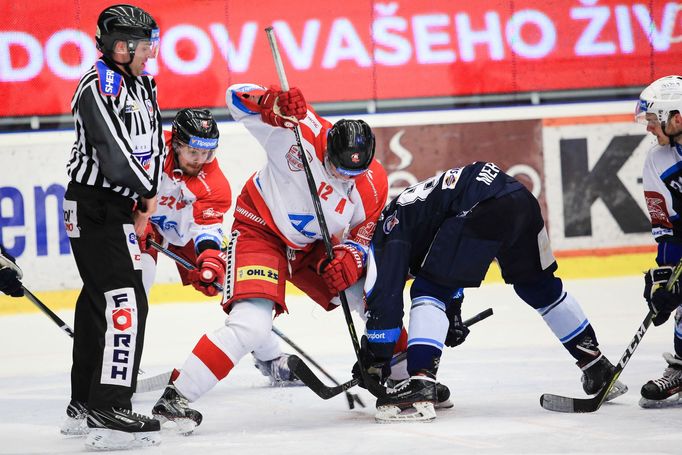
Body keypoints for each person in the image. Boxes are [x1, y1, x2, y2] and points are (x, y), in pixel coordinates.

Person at [150, 83, 388, 433]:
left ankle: (403, 378)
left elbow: (362, 237)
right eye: (337, 169)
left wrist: (351, 257)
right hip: (261, 232)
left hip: (313, 246)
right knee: (250, 325)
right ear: (326, 150)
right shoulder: (297, 129)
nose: (344, 178)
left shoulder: (372, 184)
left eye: (354, 173)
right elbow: (235, 97)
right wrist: (270, 101)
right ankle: (176, 398)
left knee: (369, 293)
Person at [353, 162, 628, 422]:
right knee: (539, 288)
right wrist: (454, 314)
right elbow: (450, 264)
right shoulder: (413, 215)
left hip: (480, 206)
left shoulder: (387, 231)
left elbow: (385, 298)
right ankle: (596, 366)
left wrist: (376, 357)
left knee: (429, 290)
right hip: (521, 198)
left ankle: (421, 385)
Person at [60, 4, 164, 449]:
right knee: (126, 297)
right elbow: (113, 154)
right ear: (121, 46)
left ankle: (83, 404)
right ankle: (110, 404)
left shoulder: (143, 84)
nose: (151, 53)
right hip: (95, 207)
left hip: (119, 208)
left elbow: (153, 143)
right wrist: (144, 193)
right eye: (145, 46)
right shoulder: (97, 86)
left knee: (97, 304)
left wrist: (146, 197)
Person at [138, 108, 299, 390]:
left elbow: (207, 229)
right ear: (175, 144)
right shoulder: (150, 148)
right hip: (142, 221)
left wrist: (210, 259)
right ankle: (120, 360)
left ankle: (270, 357)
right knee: (135, 285)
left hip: (185, 233)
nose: (200, 160)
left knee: (238, 294)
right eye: (193, 152)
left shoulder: (214, 184)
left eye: (207, 153)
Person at [636, 75, 682, 408]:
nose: (650, 128)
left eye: (654, 120)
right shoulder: (657, 160)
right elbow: (666, 226)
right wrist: (665, 274)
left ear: (676, 118)